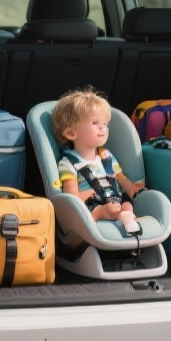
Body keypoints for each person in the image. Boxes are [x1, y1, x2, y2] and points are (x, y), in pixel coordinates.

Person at [52, 87, 145, 236]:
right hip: (91, 209)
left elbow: (121, 179)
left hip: (115, 202)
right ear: (71, 132)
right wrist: (89, 194)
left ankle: (126, 216)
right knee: (102, 210)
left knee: (127, 204)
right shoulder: (68, 163)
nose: (102, 127)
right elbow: (71, 198)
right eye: (95, 123)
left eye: (105, 124)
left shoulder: (107, 157)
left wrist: (134, 190)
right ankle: (105, 214)